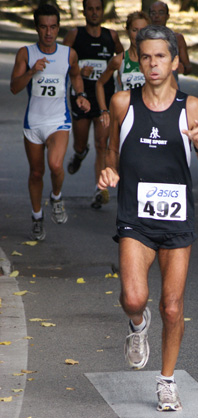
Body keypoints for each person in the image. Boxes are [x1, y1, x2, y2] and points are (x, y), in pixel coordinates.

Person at [97, 25, 198, 411]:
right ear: (137, 58)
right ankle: (137, 325)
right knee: (135, 298)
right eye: (145, 56)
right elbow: (112, 152)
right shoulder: (122, 103)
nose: (152, 63)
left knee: (172, 306)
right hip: (135, 214)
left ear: (175, 61)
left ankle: (166, 381)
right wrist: (108, 171)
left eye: (160, 56)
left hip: (177, 219)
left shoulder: (192, 107)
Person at [10, 3, 90, 241]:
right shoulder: (26, 53)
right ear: (37, 28)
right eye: (43, 27)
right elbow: (14, 87)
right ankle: (37, 217)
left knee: (55, 166)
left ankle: (56, 197)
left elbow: (75, 76)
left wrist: (81, 96)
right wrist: (32, 71)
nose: (48, 32)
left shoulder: (68, 53)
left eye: (53, 27)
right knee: (36, 173)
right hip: (33, 122)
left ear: (58, 28)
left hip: (59, 120)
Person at [63, 0, 123, 208]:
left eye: (98, 9)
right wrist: (79, 69)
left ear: (102, 11)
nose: (95, 13)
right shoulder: (74, 35)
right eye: (91, 9)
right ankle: (79, 154)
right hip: (80, 97)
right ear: (85, 11)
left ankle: (100, 189)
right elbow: (60, 61)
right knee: (81, 143)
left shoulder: (111, 36)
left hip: (103, 99)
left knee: (102, 144)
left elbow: (123, 58)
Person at [95, 11, 150, 136]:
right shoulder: (119, 60)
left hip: (149, 117)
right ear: (127, 31)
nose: (138, 35)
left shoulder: (154, 61)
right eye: (135, 30)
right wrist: (104, 110)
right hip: (125, 116)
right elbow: (99, 83)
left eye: (143, 30)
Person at [149, 2, 191, 83]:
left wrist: (183, 68)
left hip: (171, 89)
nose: (157, 16)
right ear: (149, 16)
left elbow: (188, 68)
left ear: (167, 16)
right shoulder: (143, 38)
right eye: (153, 13)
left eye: (161, 13)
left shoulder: (177, 39)